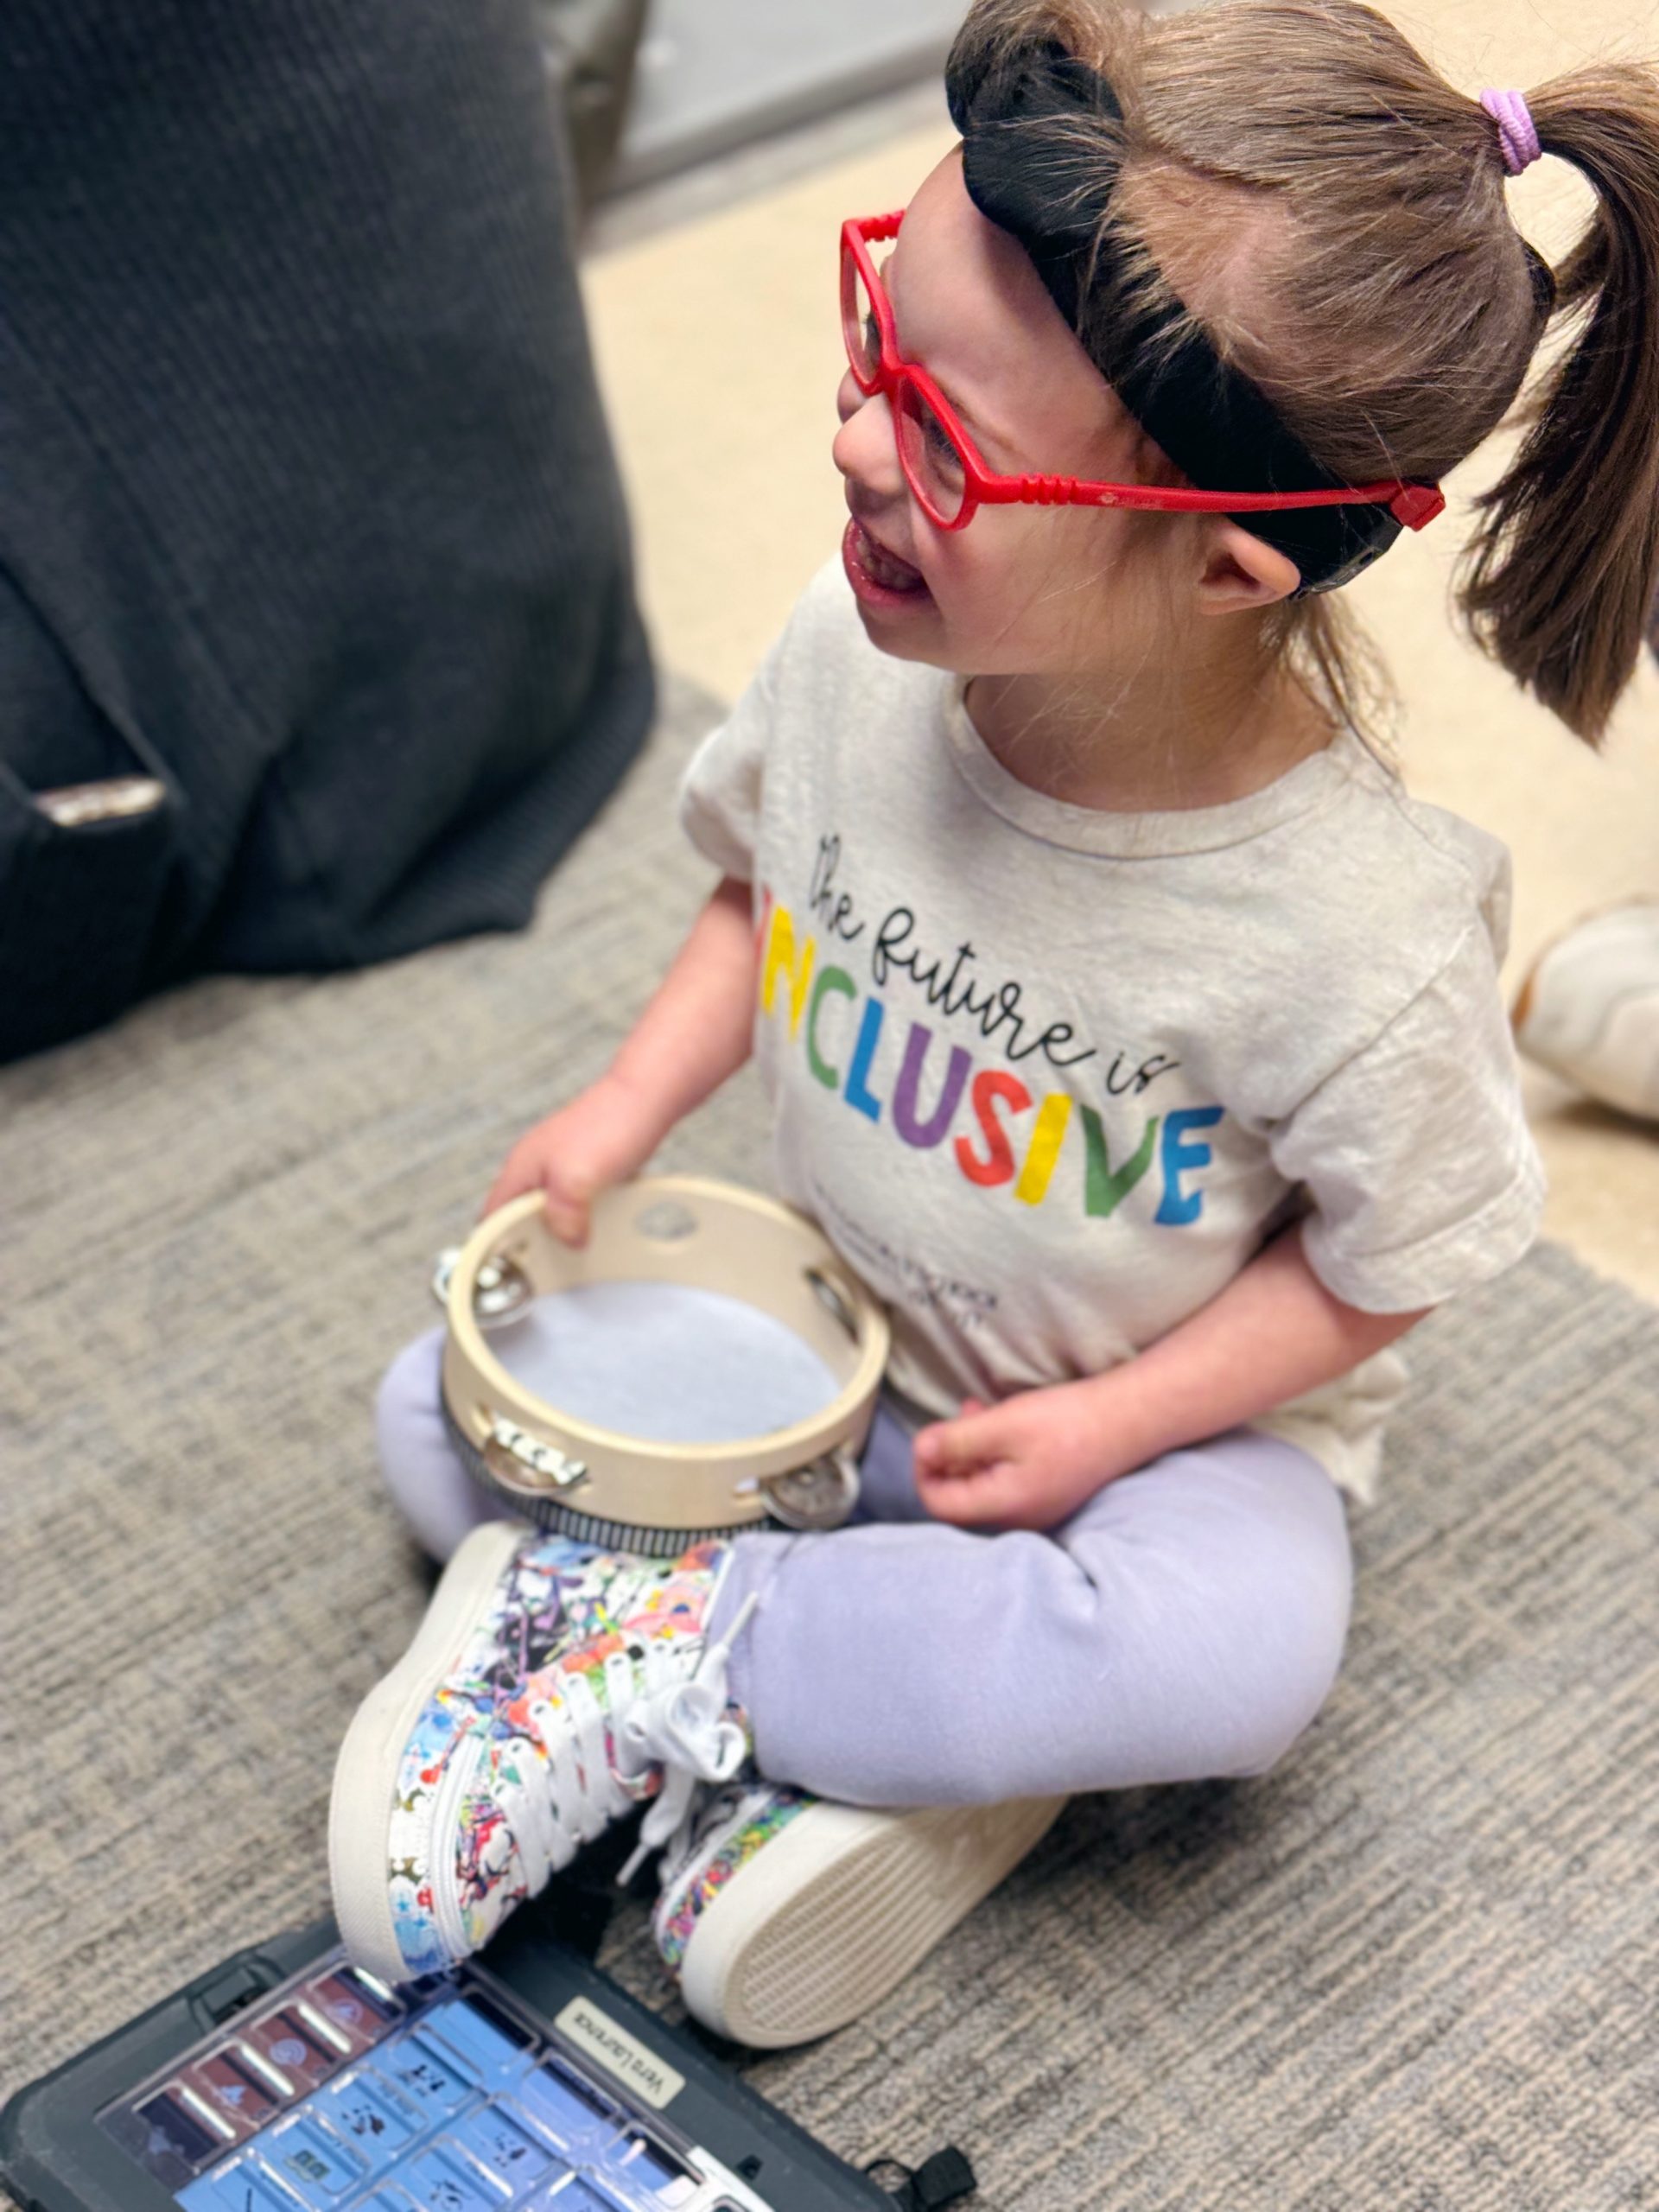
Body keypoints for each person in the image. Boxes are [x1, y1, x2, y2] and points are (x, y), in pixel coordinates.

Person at [329, 0, 1659, 2048]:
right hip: (838, 1343)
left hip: (1151, 1432)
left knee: (1234, 1657)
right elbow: (753, 880)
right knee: (438, 1409)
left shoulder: (1357, 929)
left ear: (1226, 565)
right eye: (880, 346)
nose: (860, 444)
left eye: (942, 437)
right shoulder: (850, 640)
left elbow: (1386, 1268)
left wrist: (1116, 1427)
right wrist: (624, 1102)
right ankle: (862, 1739)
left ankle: (690, 1663)